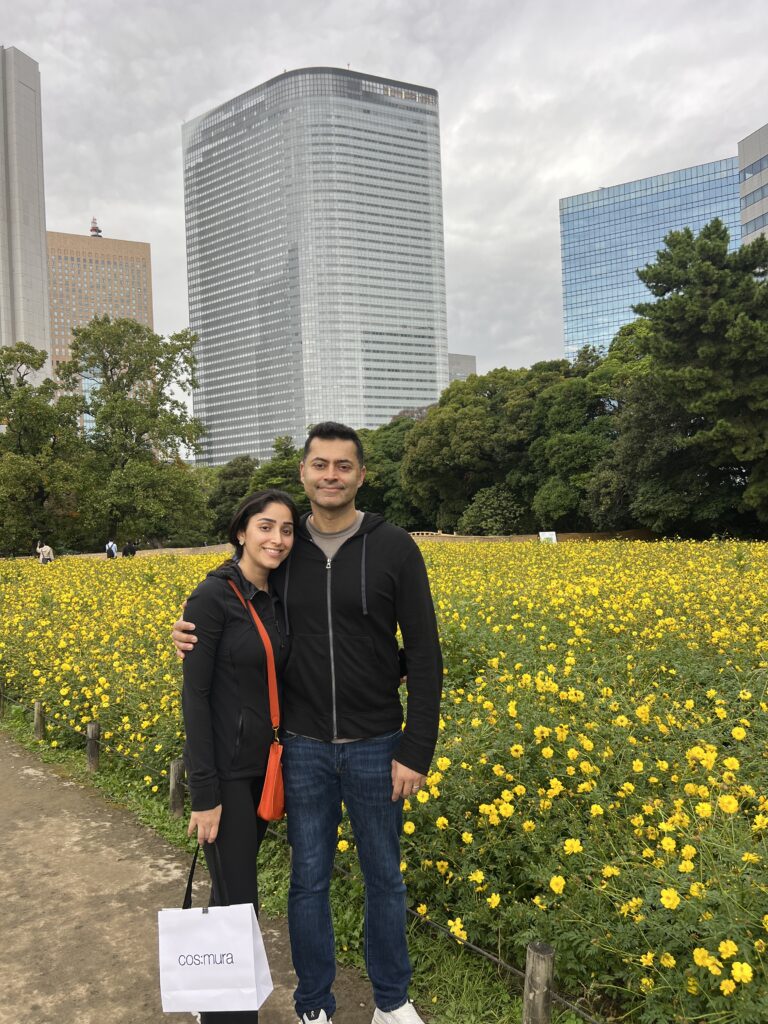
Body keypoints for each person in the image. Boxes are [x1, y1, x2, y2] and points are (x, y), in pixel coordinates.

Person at [174, 422, 443, 1024]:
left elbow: (423, 652)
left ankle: (392, 1004)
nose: (330, 475)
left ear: (360, 475)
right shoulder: (283, 557)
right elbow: (241, 617)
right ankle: (313, 1005)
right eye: (319, 464)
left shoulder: (395, 546)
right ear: (303, 472)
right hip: (300, 745)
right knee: (308, 881)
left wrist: (417, 746)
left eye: (342, 465)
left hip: (379, 743)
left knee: (385, 878)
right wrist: (192, 634)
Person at [182, 488, 298, 1024]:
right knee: (238, 902)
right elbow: (196, 696)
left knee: (233, 891)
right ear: (241, 533)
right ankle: (230, 1016)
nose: (277, 539)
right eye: (266, 527)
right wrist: (203, 795)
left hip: (265, 770)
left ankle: (216, 1007)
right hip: (226, 776)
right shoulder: (211, 599)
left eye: (287, 529)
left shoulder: (277, 596)